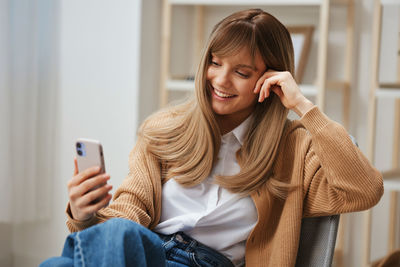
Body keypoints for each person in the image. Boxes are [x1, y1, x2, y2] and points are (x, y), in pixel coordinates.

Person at [40, 8, 383, 267]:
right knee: (82, 252)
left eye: (241, 72)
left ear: (272, 77)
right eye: (215, 63)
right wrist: (84, 216)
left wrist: (302, 105)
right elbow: (130, 212)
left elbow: (364, 190)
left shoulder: (294, 149)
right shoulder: (166, 129)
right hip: (147, 251)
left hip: (207, 263)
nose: (219, 80)